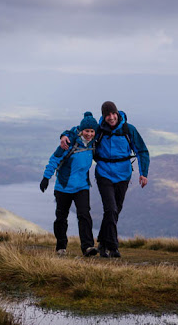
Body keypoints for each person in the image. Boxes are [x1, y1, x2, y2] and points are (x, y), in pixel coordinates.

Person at [60, 101, 149, 258]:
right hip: (104, 174)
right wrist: (64, 136)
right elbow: (78, 131)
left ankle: (102, 243)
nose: (111, 117)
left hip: (123, 175)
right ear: (103, 116)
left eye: (113, 114)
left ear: (117, 113)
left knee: (115, 211)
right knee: (111, 209)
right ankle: (113, 247)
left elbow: (142, 151)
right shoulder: (99, 130)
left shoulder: (128, 130)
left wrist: (143, 173)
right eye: (107, 115)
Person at [40, 112, 100, 257]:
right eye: (87, 131)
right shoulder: (69, 142)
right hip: (63, 186)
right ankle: (61, 247)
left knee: (84, 215)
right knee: (61, 217)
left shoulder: (94, 144)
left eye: (92, 131)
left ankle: (88, 247)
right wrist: (46, 177)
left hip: (82, 186)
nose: (89, 134)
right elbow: (54, 159)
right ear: (81, 130)